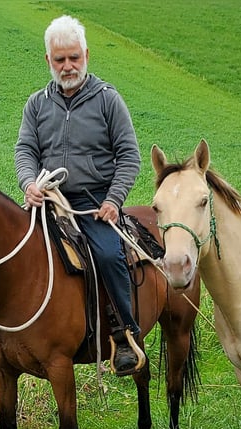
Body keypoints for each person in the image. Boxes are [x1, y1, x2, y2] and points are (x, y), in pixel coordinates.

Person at [15, 14, 145, 376]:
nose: (68, 66)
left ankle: (124, 334)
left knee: (106, 253)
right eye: (60, 59)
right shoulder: (37, 104)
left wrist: (114, 200)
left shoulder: (107, 100)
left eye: (74, 57)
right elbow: (25, 150)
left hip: (94, 205)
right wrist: (29, 184)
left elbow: (129, 155)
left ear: (86, 55)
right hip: (50, 201)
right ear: (48, 61)